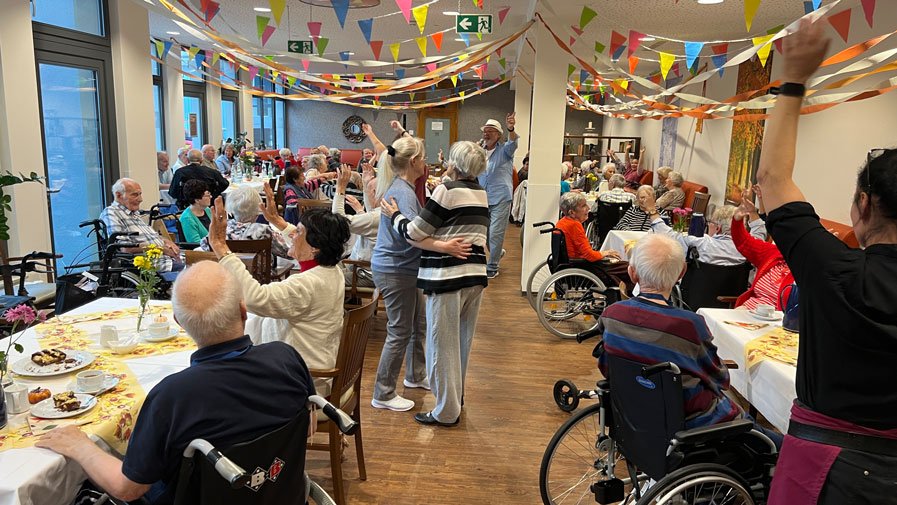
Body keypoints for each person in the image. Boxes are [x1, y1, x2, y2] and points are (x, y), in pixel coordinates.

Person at [35, 261, 316, 505]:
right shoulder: (286, 358)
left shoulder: (173, 395)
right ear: (244, 311)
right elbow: (308, 426)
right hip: (280, 495)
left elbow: (128, 488)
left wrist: (80, 445)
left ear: (179, 323)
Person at [756, 20, 897, 504]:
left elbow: (773, 181)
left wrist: (794, 77)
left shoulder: (836, 270)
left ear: (862, 205)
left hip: (826, 468)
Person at [380, 141, 489, 427]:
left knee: (442, 345)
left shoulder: (447, 191)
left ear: (456, 163)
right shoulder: (481, 192)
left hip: (447, 277)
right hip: (474, 276)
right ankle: (456, 398)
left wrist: (395, 216)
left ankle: (445, 411)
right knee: (461, 342)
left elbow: (414, 232)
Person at [208, 185, 350, 396]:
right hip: (311, 362)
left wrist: (221, 248)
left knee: (220, 382)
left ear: (315, 246)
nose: (292, 235)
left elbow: (256, 298)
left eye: (299, 232)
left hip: (303, 379)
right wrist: (277, 221)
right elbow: (299, 235)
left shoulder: (307, 284)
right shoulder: (332, 269)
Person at [596, 234, 744, 429]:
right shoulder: (690, 325)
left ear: (632, 273)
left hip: (633, 409)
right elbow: (719, 379)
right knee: (773, 443)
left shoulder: (611, 315)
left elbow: (606, 366)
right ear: (681, 273)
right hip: (690, 419)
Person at [370, 133, 431, 412]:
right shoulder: (402, 193)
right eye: (424, 158)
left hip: (405, 268)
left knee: (418, 325)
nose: (426, 162)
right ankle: (383, 393)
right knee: (400, 330)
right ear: (415, 161)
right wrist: (446, 245)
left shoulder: (404, 189)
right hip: (396, 269)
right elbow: (413, 236)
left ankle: (416, 375)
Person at [100, 178, 182, 273]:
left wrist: (167, 241)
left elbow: (150, 237)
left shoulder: (134, 213)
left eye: (140, 194)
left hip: (169, 258)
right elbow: (125, 248)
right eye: (135, 195)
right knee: (199, 271)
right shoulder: (111, 212)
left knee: (201, 258)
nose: (140, 199)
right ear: (119, 195)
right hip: (154, 263)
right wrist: (161, 249)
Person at [730, 188, 793, 311]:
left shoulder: (806, 267)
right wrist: (737, 221)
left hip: (777, 322)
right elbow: (744, 243)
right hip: (749, 310)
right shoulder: (773, 253)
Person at [648, 201, 765, 266]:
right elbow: (759, 233)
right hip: (732, 301)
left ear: (718, 228)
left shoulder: (699, 243)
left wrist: (652, 211)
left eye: (711, 222)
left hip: (694, 298)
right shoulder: (749, 248)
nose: (709, 225)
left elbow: (667, 235)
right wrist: (752, 211)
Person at [555, 192, 628, 292]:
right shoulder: (574, 225)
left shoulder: (562, 222)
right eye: (583, 206)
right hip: (582, 265)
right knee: (627, 268)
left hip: (572, 262)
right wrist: (604, 253)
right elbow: (589, 256)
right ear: (572, 212)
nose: (588, 208)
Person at [199, 185, 290, 260]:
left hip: (227, 276)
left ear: (232, 209)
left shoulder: (221, 229)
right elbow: (287, 253)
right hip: (258, 278)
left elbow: (204, 243)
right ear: (257, 211)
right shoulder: (263, 230)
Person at [477, 113, 518, 279]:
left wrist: (511, 128)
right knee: (485, 234)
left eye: (490, 131)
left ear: (498, 135)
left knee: (495, 233)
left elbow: (513, 142)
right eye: (485, 131)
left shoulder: (505, 150)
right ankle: (497, 252)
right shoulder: (479, 151)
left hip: (501, 197)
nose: (486, 134)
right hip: (482, 197)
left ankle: (492, 266)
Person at [333, 166, 379, 287]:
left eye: (368, 191)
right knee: (324, 268)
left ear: (374, 193)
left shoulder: (376, 217)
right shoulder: (381, 212)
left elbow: (338, 220)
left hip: (365, 272)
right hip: (359, 266)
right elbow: (371, 213)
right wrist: (359, 210)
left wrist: (340, 187)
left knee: (323, 279)